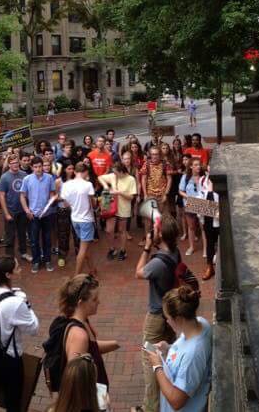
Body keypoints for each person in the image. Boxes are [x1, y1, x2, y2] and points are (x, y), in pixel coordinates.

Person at [0, 257, 39, 412]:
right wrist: (26, 304)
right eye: (17, 268)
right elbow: (34, 329)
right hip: (9, 359)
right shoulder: (16, 301)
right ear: (8, 275)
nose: (20, 269)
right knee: (13, 400)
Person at [135, 220, 181, 412]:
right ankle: (167, 393)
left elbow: (138, 273)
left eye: (154, 229)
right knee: (168, 351)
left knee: (150, 358)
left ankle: (150, 407)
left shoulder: (157, 263)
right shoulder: (175, 252)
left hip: (156, 316)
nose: (151, 232)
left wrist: (146, 248)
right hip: (169, 313)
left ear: (160, 235)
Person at [145, 286, 211, 412]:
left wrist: (157, 367)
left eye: (168, 318)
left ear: (179, 319)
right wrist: (168, 348)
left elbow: (176, 401)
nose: (167, 322)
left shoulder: (192, 356)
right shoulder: (201, 323)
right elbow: (185, 346)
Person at [59, 274, 118, 392]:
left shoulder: (83, 320)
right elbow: (75, 380)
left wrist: (117, 344)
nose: (99, 302)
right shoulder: (79, 336)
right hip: (90, 397)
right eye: (94, 299)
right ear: (81, 303)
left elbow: (92, 348)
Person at [20, 157, 57, 272]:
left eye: (40, 166)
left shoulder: (49, 178)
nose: (38, 169)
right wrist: (27, 210)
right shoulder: (27, 179)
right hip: (33, 215)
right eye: (35, 167)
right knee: (34, 240)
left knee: (47, 239)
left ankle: (47, 260)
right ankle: (36, 261)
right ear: (32, 167)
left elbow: (52, 193)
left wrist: (51, 202)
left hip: (47, 214)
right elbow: (22, 196)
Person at [60, 163, 97, 276]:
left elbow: (65, 204)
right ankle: (76, 276)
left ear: (75, 172)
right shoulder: (88, 185)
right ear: (86, 172)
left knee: (86, 246)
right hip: (86, 219)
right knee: (83, 248)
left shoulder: (66, 185)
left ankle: (92, 270)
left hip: (74, 218)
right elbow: (93, 204)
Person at [98, 163, 137, 261]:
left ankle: (123, 250)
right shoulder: (113, 176)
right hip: (111, 207)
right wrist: (106, 186)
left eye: (116, 173)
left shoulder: (131, 179)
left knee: (121, 230)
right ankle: (112, 249)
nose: (114, 174)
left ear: (122, 172)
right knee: (109, 230)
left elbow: (131, 197)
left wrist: (119, 192)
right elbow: (100, 177)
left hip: (123, 208)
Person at [0, 155, 30, 261]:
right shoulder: (4, 177)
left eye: (16, 162)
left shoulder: (24, 175)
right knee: (10, 236)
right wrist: (6, 213)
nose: (15, 164)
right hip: (11, 210)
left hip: (22, 209)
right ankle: (9, 258)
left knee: (22, 233)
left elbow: (28, 191)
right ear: (9, 164)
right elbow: (1, 196)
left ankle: (23, 252)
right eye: (12, 163)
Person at [140, 146, 173, 230]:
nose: (154, 156)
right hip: (150, 194)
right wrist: (145, 194)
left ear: (160, 155)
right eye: (153, 154)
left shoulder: (165, 164)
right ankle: (148, 236)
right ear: (150, 155)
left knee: (162, 218)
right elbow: (143, 179)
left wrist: (166, 194)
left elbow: (169, 179)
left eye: (156, 154)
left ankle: (160, 236)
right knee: (148, 218)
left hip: (162, 195)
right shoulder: (146, 164)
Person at [178, 158, 205, 256]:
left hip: (202, 203)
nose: (198, 167)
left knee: (203, 227)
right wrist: (188, 197)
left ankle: (206, 249)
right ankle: (191, 247)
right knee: (191, 227)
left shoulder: (204, 177)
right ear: (191, 166)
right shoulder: (185, 177)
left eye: (199, 164)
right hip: (190, 203)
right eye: (196, 165)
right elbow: (180, 191)